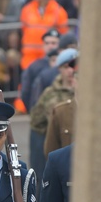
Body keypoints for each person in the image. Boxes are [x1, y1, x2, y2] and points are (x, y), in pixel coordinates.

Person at [30, 48, 78, 177]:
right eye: (66, 66)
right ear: (59, 69)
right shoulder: (49, 94)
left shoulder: (84, 92)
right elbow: (36, 121)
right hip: (61, 155)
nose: (70, 71)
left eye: (73, 66)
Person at [19, 0, 69, 70]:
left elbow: (63, 32)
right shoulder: (27, 9)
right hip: (29, 55)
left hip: (49, 55)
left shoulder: (58, 11)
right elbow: (24, 28)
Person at [19, 29, 61, 111]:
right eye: (47, 43)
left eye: (54, 43)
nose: (50, 46)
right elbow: (25, 91)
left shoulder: (66, 65)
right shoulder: (35, 66)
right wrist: (33, 111)